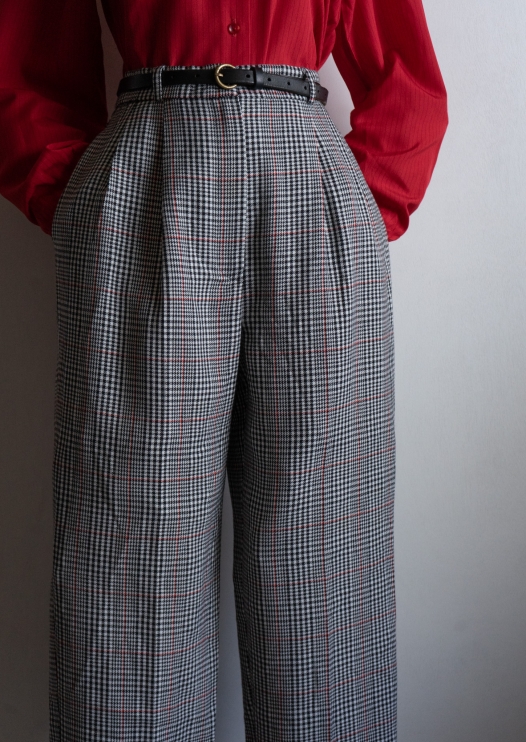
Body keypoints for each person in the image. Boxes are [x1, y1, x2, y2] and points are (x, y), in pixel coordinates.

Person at [0, 1, 448, 740]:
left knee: (324, 547)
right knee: (131, 539)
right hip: (149, 169)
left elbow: (409, 80)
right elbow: (28, 66)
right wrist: (80, 202)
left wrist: (361, 212)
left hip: (307, 181)